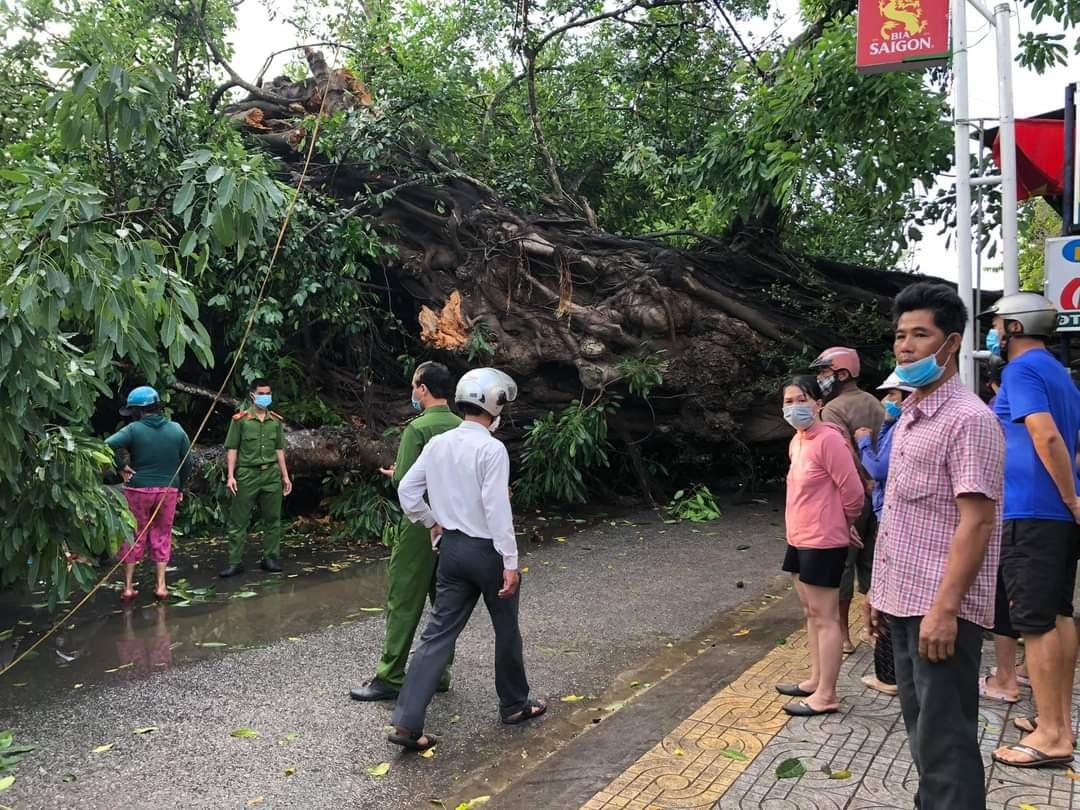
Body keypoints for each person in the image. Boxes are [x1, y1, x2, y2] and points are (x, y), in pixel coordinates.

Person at [866, 282, 1003, 810]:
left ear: (951, 343)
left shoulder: (969, 420)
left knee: (945, 739)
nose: (905, 347)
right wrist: (878, 592)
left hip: (939, 609)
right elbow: (899, 515)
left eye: (919, 335)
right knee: (922, 730)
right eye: (900, 335)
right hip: (903, 601)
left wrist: (946, 611)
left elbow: (977, 523)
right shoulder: (913, 417)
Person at [388, 368, 546, 751]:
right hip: (487, 552)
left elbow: (407, 489)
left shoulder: (439, 443)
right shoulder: (491, 450)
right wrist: (510, 562)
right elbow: (497, 511)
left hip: (452, 551)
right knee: (505, 627)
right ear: (493, 405)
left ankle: (408, 724)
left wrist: (432, 522)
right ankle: (514, 704)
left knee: (437, 634)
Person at [980, 293, 1080, 769]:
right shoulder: (1061, 375)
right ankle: (1053, 720)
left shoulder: (1021, 370)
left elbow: (1046, 435)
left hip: (1034, 512)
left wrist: (1069, 496)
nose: (994, 333)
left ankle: (1053, 737)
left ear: (1015, 327)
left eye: (997, 324)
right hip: (1054, 515)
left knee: (1034, 623)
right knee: (1059, 616)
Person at [350, 362, 462, 702]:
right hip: (457, 522)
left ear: (424, 389)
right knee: (444, 602)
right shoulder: (463, 426)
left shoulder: (418, 429)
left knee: (404, 600)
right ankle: (439, 673)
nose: (413, 393)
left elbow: (405, 482)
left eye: (414, 386)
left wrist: (398, 473)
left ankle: (390, 674)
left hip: (421, 524)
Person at [774, 375, 865, 717]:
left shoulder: (830, 440)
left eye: (801, 399)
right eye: (788, 401)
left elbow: (853, 492)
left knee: (826, 618)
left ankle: (826, 695)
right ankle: (815, 679)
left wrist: (844, 524)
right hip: (798, 539)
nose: (794, 407)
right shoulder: (798, 441)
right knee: (811, 613)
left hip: (823, 541)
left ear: (818, 403)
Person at [810, 346, 885, 654]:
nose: (821, 378)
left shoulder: (831, 409)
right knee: (872, 563)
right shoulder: (874, 403)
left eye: (825, 371)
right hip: (878, 493)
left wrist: (862, 481)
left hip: (852, 496)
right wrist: (874, 481)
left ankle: (842, 635)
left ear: (841, 374)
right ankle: (877, 630)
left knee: (844, 565)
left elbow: (844, 453)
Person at [853, 371, 914, 698]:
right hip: (885, 513)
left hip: (890, 518)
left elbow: (878, 469)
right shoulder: (893, 426)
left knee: (885, 599)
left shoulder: (902, 427)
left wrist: (863, 441)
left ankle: (889, 676)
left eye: (893, 395)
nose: (887, 402)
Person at [105, 386, 193, 602]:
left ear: (137, 411)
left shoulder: (133, 429)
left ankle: (127, 587)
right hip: (168, 490)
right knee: (162, 534)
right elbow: (187, 462)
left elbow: (106, 445)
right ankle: (161, 586)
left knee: (133, 535)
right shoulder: (177, 429)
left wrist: (121, 467)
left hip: (138, 489)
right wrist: (179, 488)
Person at [220, 378, 292, 577]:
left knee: (273, 519)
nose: (265, 397)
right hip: (247, 473)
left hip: (271, 473)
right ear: (252, 395)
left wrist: (285, 476)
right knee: (239, 521)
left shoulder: (275, 421)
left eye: (267, 393)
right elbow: (232, 448)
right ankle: (235, 562)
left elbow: (279, 450)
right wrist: (231, 476)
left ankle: (270, 557)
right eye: (261, 393)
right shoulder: (241, 420)